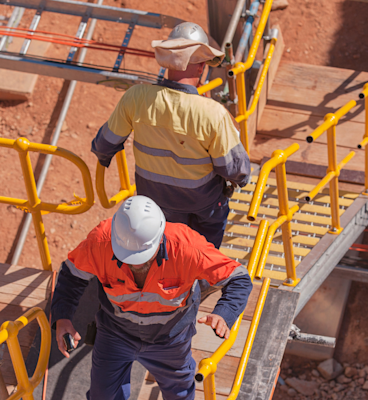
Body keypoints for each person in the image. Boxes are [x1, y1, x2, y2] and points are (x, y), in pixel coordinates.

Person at [51, 196, 253, 400]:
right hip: (116, 331)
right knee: (102, 396)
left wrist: (224, 313)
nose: (136, 265)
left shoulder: (187, 245)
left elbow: (239, 277)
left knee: (178, 378)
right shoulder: (100, 241)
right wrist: (62, 318)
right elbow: (72, 275)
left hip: (169, 334)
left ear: (159, 239)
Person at [91, 21, 250, 249]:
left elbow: (104, 144)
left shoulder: (136, 97)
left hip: (152, 206)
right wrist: (240, 180)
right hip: (203, 206)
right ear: (200, 67)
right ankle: (201, 279)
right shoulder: (213, 113)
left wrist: (103, 156)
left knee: (160, 250)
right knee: (202, 252)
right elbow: (235, 169)